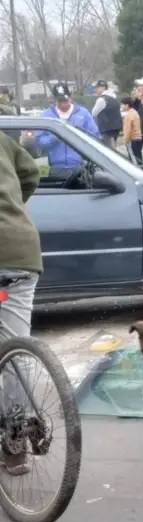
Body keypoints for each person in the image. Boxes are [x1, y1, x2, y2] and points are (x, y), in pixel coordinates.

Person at [0, 130, 41, 476]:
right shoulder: (3, 140)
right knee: (16, 347)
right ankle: (16, 446)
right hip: (21, 251)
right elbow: (31, 174)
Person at [37, 84, 99, 179]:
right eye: (59, 101)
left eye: (65, 101)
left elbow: (94, 136)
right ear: (55, 100)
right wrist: (55, 137)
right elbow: (40, 142)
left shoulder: (83, 113)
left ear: (70, 98)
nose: (63, 104)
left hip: (81, 168)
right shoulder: (46, 115)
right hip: (57, 168)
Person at [91, 80, 121, 149]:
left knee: (109, 151)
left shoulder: (102, 99)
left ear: (103, 87)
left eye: (98, 87)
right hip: (116, 127)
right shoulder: (114, 98)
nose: (96, 89)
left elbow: (93, 113)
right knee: (113, 148)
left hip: (106, 128)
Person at [121, 97, 143, 165]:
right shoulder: (135, 112)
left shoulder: (129, 115)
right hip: (138, 138)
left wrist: (125, 140)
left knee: (134, 159)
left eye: (122, 104)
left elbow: (128, 130)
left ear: (127, 105)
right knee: (139, 158)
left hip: (132, 139)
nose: (121, 106)